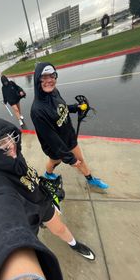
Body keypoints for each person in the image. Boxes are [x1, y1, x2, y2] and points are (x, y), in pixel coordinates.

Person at [0, 117, 95, 280]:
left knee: (60, 229)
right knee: (32, 250)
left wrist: (43, 188)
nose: (11, 147)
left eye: (11, 138)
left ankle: (74, 245)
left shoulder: (13, 152)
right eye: (3, 145)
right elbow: (2, 215)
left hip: (42, 202)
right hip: (26, 221)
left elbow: (26, 171)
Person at [30, 62, 109, 190]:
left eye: (52, 76)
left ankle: (91, 179)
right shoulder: (37, 110)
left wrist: (75, 107)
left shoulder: (54, 92)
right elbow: (51, 138)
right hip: (55, 146)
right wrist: (68, 158)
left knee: (80, 159)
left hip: (68, 136)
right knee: (55, 161)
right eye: (44, 77)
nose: (49, 80)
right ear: (37, 79)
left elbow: (61, 108)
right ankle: (48, 174)